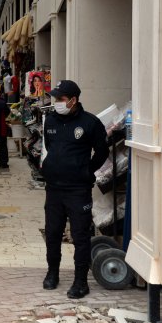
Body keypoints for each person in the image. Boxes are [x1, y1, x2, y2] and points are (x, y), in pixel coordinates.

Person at [41, 80, 109, 299]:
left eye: (60, 99)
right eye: (56, 98)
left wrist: (85, 171)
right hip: (54, 189)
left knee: (80, 236)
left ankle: (81, 281)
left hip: (78, 190)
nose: (57, 102)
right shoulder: (50, 120)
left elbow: (101, 152)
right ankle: (52, 273)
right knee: (52, 233)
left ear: (73, 100)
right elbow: (50, 147)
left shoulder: (90, 123)